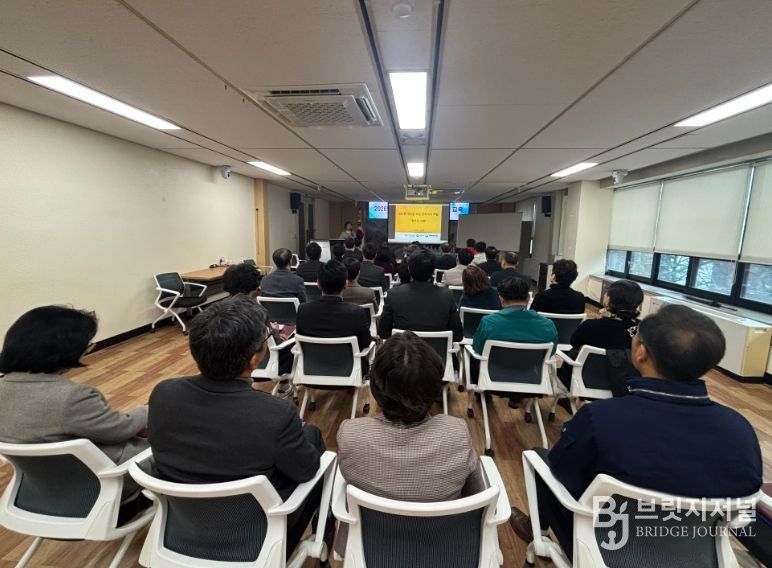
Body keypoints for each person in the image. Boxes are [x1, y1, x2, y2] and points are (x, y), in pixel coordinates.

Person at [509, 305, 763, 563]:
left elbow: (564, 473)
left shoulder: (601, 417)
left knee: (542, 458)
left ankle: (537, 531)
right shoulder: (740, 430)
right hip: (698, 555)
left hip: (601, 547)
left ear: (641, 352)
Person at [148, 296, 325, 558]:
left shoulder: (163, 393)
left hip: (182, 528)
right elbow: (307, 470)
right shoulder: (275, 413)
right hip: (258, 537)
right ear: (254, 360)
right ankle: (324, 531)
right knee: (313, 438)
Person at [335, 332, 485, 556]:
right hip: (443, 548)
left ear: (375, 387)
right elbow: (477, 496)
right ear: (435, 387)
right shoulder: (456, 433)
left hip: (368, 549)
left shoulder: (351, 434)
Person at [0, 306, 150, 521]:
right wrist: (149, 408)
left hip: (38, 493)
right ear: (66, 351)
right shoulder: (73, 397)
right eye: (87, 345)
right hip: (101, 494)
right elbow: (120, 430)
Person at [471, 278, 558, 406]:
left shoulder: (488, 322)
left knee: (471, 358)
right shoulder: (548, 325)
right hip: (532, 379)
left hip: (492, 378)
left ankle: (483, 396)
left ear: (501, 299)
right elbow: (551, 354)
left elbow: (478, 349)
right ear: (528, 298)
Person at [222, 263, 293, 396]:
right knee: (289, 344)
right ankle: (284, 385)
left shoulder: (217, 309)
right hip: (254, 364)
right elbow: (273, 340)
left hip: (225, 365)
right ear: (254, 284)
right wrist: (276, 333)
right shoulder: (258, 311)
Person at [379, 248, 463, 342]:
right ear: (433, 272)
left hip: (404, 350)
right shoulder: (447, 295)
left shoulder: (393, 294)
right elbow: (457, 335)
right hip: (435, 351)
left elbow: (383, 333)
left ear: (409, 269)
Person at [296, 260, 372, 357]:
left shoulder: (303, 310)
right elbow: (366, 342)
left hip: (311, 364)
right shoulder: (357, 313)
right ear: (346, 285)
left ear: (318, 284)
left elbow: (300, 340)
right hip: (348, 365)